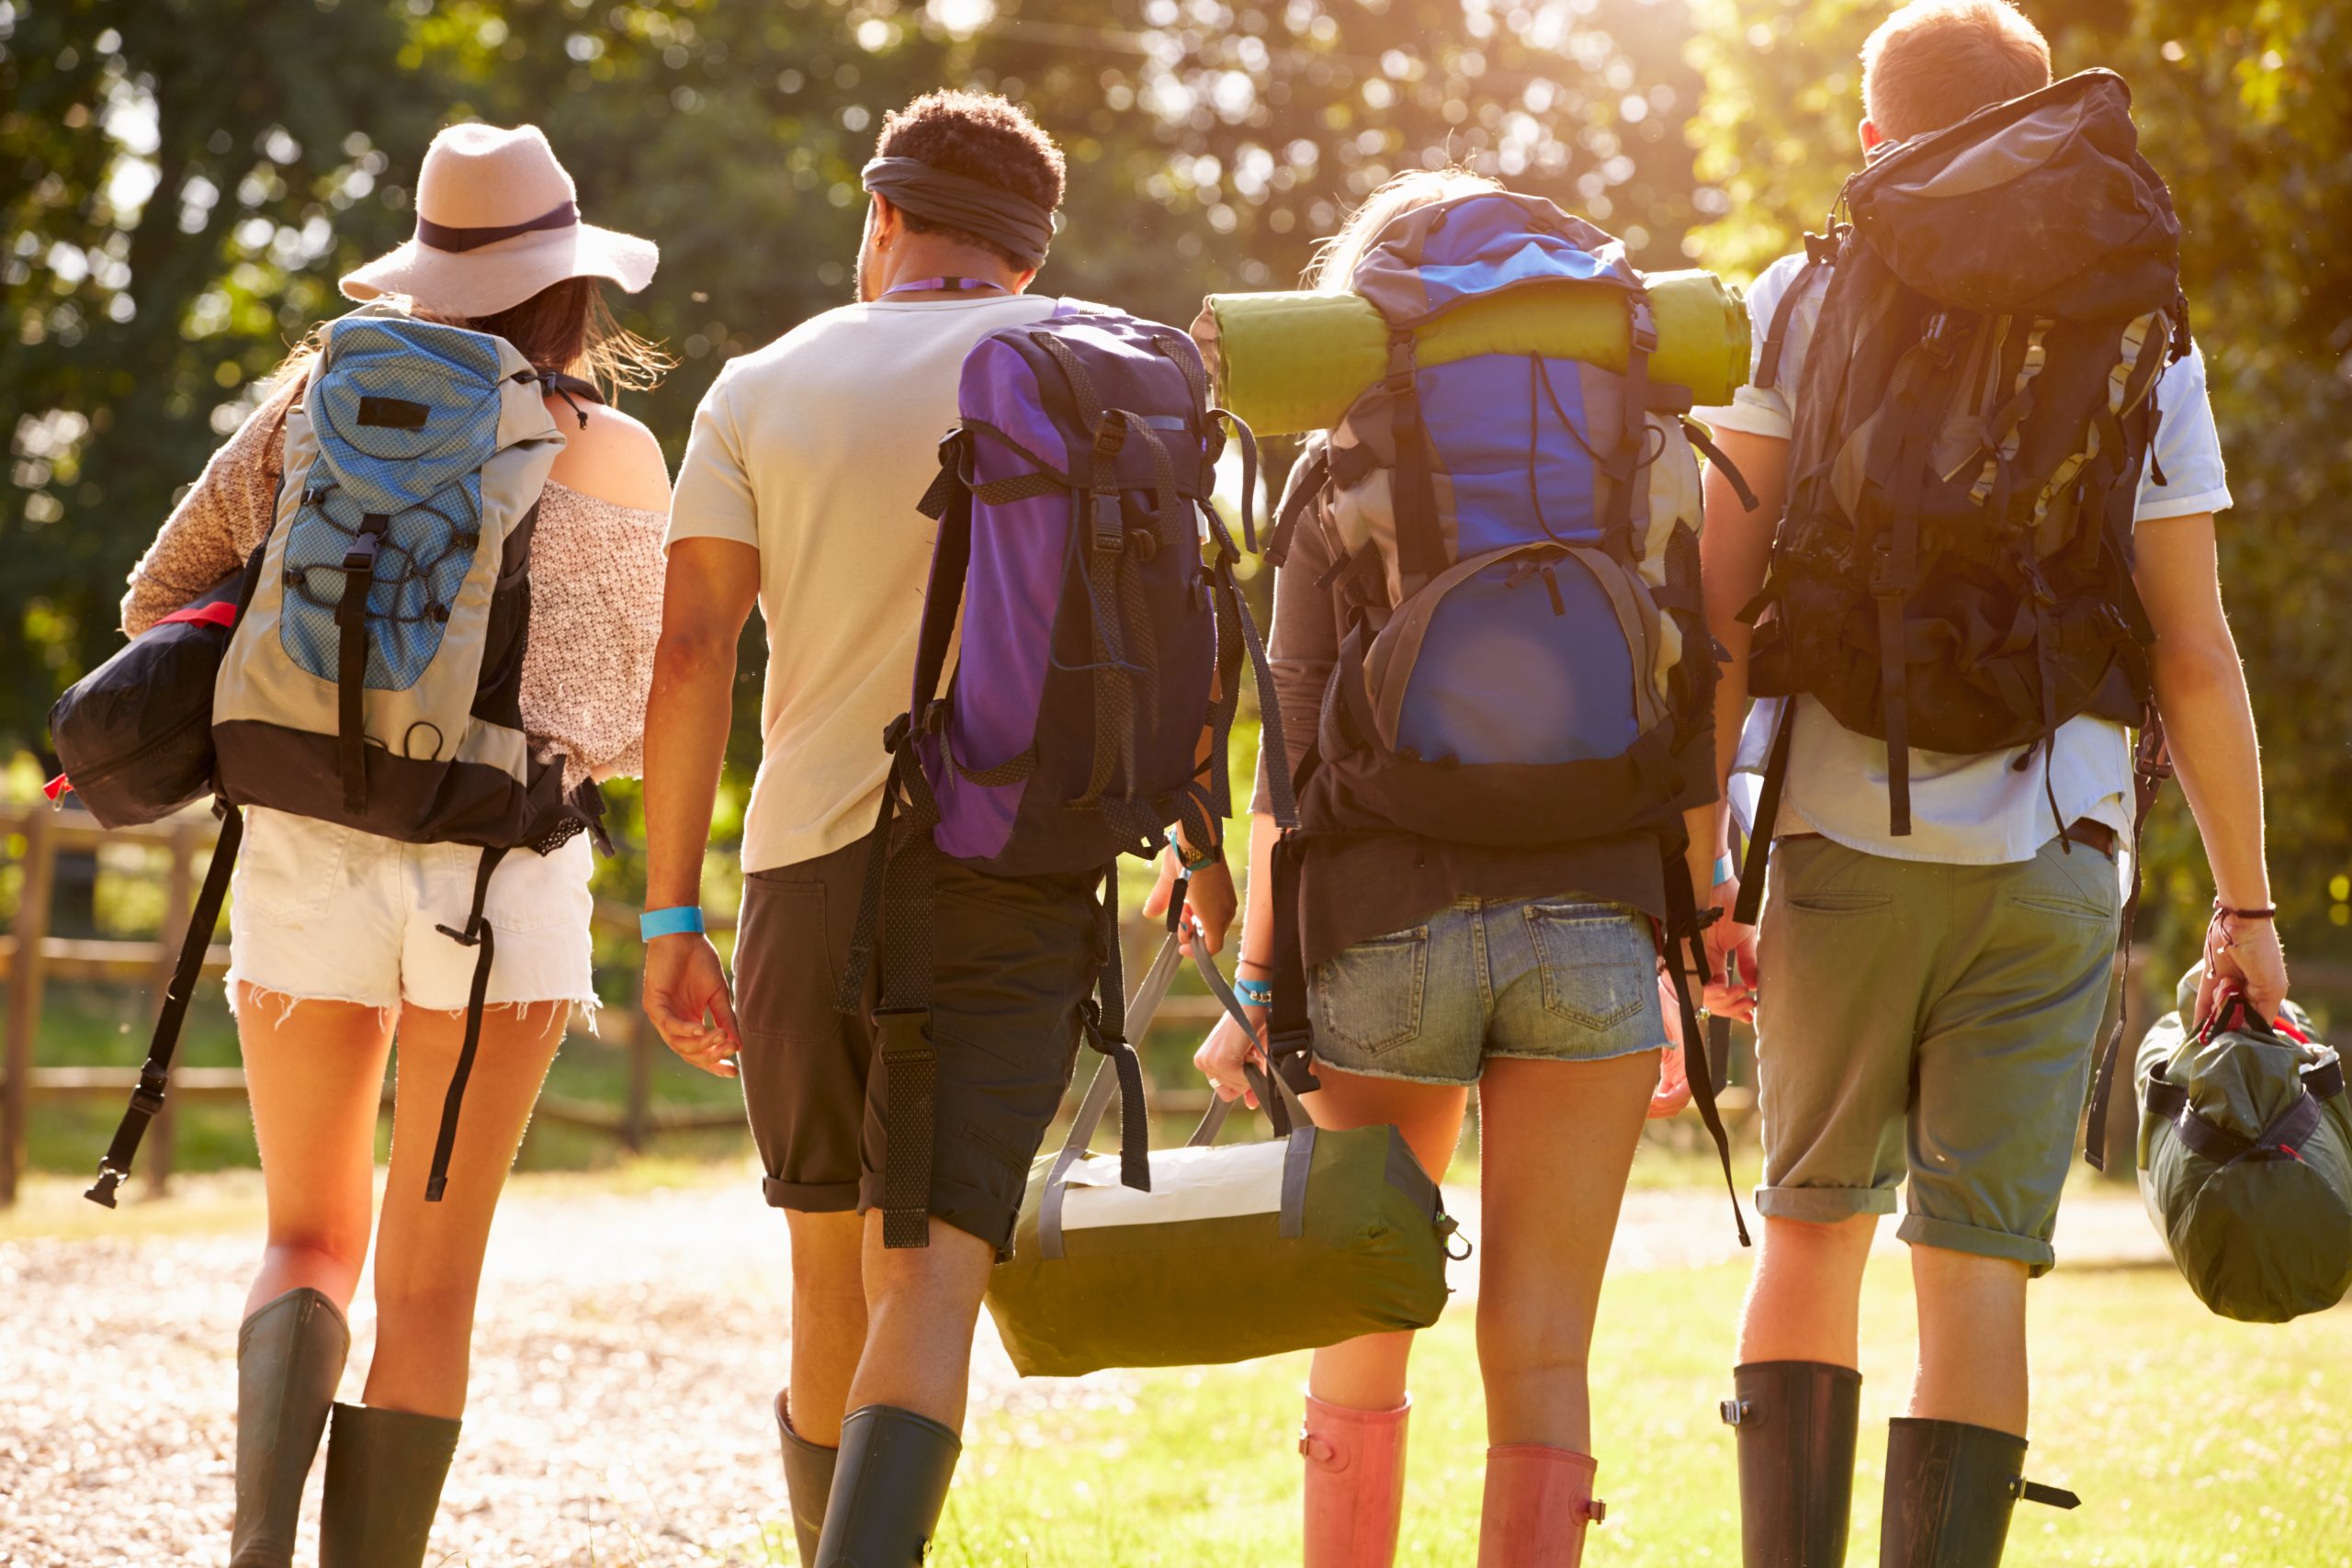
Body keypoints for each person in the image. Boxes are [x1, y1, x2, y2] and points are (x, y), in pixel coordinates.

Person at [1693, 4, 2289, 1562]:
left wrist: (1697, 868)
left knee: (1814, 1226)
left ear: (1874, 130)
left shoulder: (1798, 295)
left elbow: (1717, 621)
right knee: (1974, 1264)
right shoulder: (2140, 320)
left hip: (1836, 831)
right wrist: (2249, 906)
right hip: (2056, 840)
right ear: (2047, 121)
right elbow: (2194, 653)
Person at [639, 90, 1239, 1567]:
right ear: (1030, 252)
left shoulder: (761, 383)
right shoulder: (1097, 370)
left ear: (883, 218)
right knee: (934, 1279)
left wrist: (668, 917)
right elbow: (1193, 634)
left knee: (827, 1272)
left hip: (804, 873)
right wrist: (1209, 852)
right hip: (1015, 876)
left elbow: (692, 648)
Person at [119, 123, 671, 1567]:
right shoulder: (611, 449)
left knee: (305, 1242)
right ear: (571, 283)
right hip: (500, 885)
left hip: (303, 854)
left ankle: (255, 1548)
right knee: (431, 1294)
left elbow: (154, 603)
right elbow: (605, 724)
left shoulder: (312, 400)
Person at [1191, 167, 1733, 1568]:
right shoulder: (1649, 448)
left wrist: (1257, 979)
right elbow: (1689, 724)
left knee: (1362, 1316)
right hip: (1598, 927)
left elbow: (1291, 750)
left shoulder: (1343, 455)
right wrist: (1691, 928)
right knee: (1545, 1346)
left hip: (1385, 923)